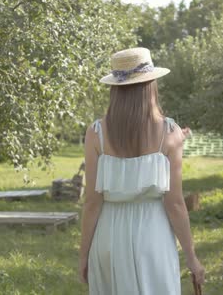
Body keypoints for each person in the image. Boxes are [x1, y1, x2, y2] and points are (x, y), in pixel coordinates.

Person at [78, 47, 205, 294]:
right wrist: (191, 257)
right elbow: (175, 204)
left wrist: (84, 255)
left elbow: (92, 203)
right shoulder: (170, 133)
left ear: (116, 89)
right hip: (153, 236)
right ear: (151, 86)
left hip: (109, 238)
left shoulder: (96, 133)